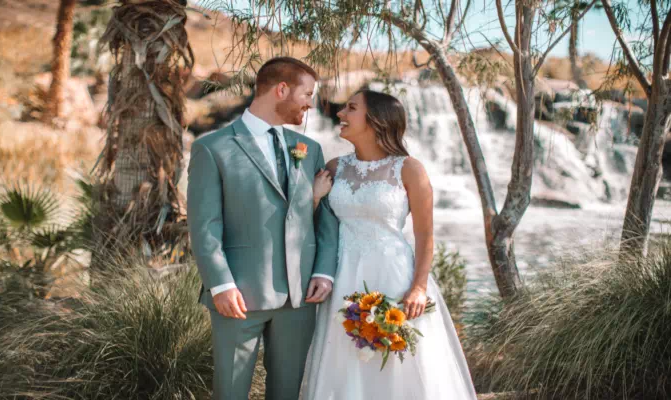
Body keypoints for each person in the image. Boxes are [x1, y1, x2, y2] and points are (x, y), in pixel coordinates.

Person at [302, 89, 478, 399]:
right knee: (346, 361)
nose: (340, 114)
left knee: (399, 361)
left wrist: (419, 287)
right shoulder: (334, 167)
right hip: (344, 275)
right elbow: (320, 228)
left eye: (351, 108)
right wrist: (314, 196)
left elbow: (425, 235)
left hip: (394, 275)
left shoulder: (409, 169)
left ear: (376, 120)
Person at [186, 56, 339, 400]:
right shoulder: (212, 148)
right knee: (231, 391)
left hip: (300, 296)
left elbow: (324, 220)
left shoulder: (309, 149)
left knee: (287, 392)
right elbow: (204, 225)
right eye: (307, 94)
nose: (311, 103)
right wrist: (220, 284)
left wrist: (325, 272)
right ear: (281, 90)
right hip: (238, 294)